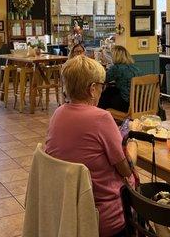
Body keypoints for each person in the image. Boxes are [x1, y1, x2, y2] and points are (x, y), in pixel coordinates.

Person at [46, 55, 136, 237]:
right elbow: (126, 170)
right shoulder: (101, 118)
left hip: (68, 211)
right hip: (103, 217)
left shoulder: (58, 114)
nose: (103, 91)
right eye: (102, 86)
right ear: (92, 89)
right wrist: (132, 142)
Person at [99, 45, 141, 112]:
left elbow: (102, 79)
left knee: (104, 95)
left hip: (126, 103)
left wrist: (103, 65)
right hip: (139, 102)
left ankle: (101, 117)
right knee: (110, 91)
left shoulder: (117, 68)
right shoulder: (135, 67)